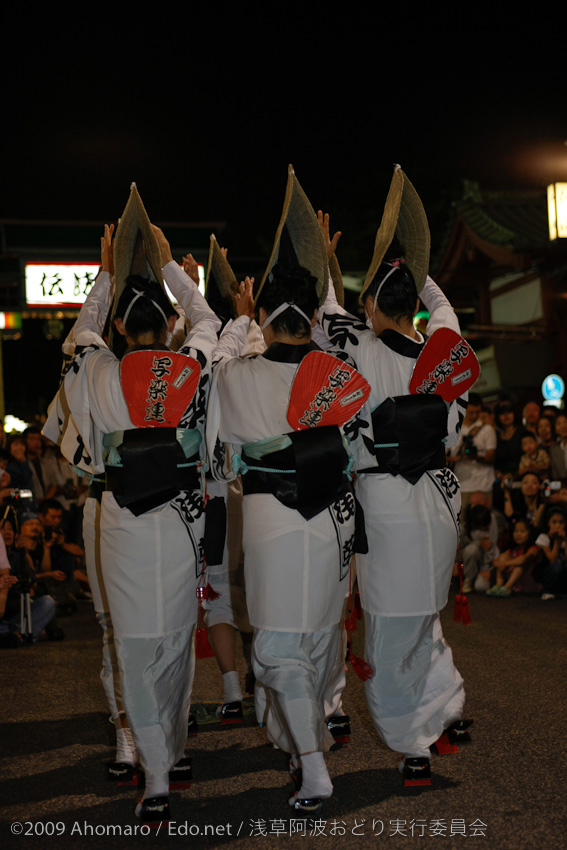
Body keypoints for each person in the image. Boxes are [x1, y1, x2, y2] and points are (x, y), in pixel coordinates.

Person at [45, 215, 221, 826]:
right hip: (180, 516)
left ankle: (154, 774)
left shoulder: (96, 369)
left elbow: (81, 334)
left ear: (121, 325)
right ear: (169, 324)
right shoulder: (192, 366)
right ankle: (170, 754)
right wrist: (177, 274)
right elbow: (210, 324)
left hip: (121, 516)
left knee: (134, 643)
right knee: (174, 641)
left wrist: (105, 276)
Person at [318, 186, 467, 788]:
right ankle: (444, 708)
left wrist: (326, 264)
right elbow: (444, 305)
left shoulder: (357, 345)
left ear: (372, 304)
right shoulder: (444, 346)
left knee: (388, 623)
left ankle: (414, 746)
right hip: (439, 497)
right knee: (423, 614)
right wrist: (417, 265)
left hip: (384, 501)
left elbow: (327, 315)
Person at [207, 255, 370, 810]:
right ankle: (307, 742)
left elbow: (222, 451)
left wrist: (239, 320)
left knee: (277, 645)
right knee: (322, 634)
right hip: (334, 514)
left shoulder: (239, 374)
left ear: (269, 318)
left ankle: (315, 767)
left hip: (273, 517)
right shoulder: (340, 371)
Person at [449, 393, 496, 511]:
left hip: (484, 485)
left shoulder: (487, 429)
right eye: (471, 412)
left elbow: (492, 457)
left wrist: (476, 457)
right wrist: (455, 459)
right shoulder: (454, 429)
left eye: (477, 412)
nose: (474, 415)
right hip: (462, 485)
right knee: (464, 525)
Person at [485, 518, 539, 596]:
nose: (518, 534)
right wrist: (499, 563)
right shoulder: (513, 549)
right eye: (516, 531)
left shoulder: (534, 549)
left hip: (528, 582)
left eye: (522, 531)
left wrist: (505, 564)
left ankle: (507, 587)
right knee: (504, 556)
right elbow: (495, 561)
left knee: (520, 565)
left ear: (530, 533)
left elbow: (523, 559)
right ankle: (498, 586)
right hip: (516, 583)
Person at [535, 507, 567, 600]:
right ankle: (547, 591)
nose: (558, 526)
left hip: (563, 574)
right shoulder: (544, 537)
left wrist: (565, 540)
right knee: (557, 567)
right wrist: (557, 541)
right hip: (548, 571)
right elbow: (552, 560)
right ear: (548, 523)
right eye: (554, 522)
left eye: (561, 522)